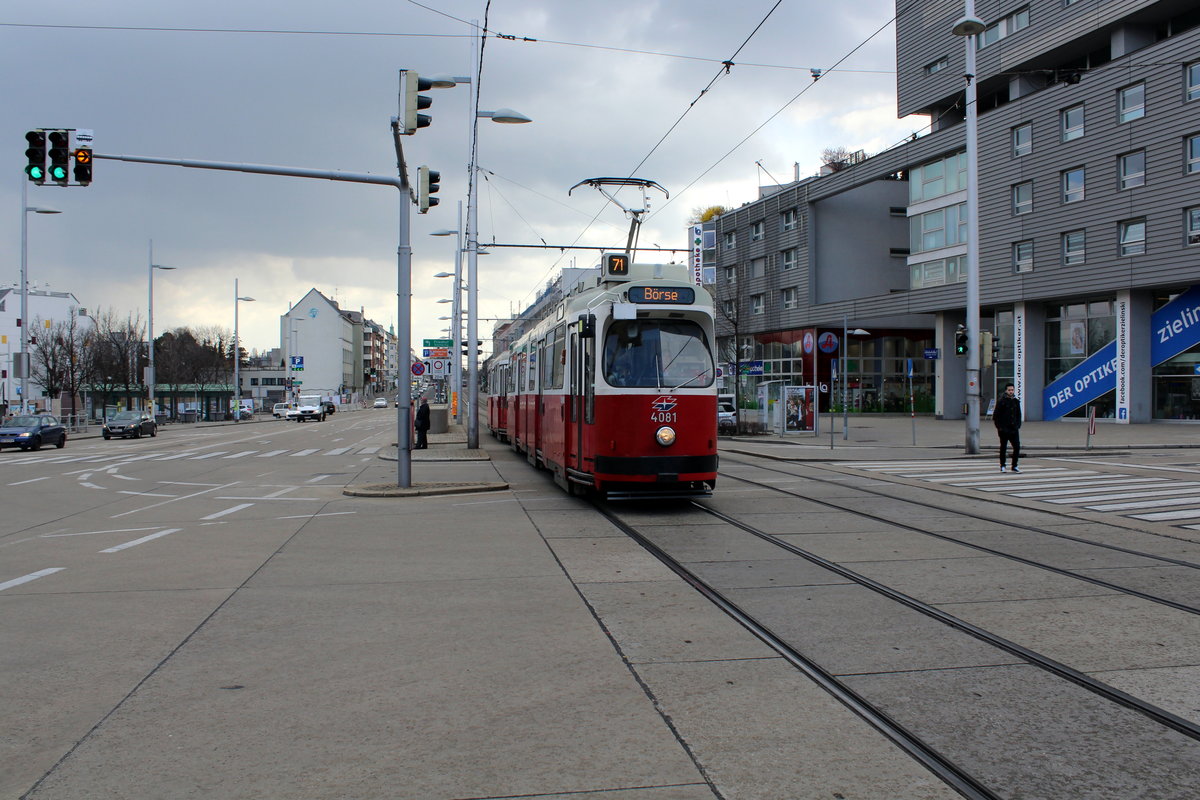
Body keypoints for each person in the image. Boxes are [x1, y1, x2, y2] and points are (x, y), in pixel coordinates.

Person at [993, 383, 1022, 473]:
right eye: (1009, 390)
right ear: (1006, 390)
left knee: (1017, 447)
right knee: (1003, 448)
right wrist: (1000, 427)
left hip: (1013, 429)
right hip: (1004, 429)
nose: (1011, 392)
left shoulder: (1016, 401)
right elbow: (996, 416)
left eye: (1012, 390)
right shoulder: (1002, 401)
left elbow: (1018, 414)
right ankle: (1003, 465)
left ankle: (1014, 466)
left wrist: (1018, 425)